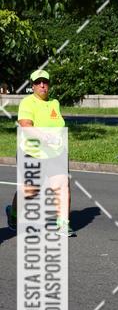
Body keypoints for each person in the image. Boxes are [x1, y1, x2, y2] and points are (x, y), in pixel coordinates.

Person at [5, 69, 74, 235]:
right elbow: (25, 125)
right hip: (32, 152)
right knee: (30, 190)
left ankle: (63, 223)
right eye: (38, 82)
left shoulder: (55, 103)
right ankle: (13, 213)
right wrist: (45, 137)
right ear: (33, 86)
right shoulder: (27, 103)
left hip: (55, 153)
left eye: (45, 82)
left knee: (62, 186)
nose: (42, 85)